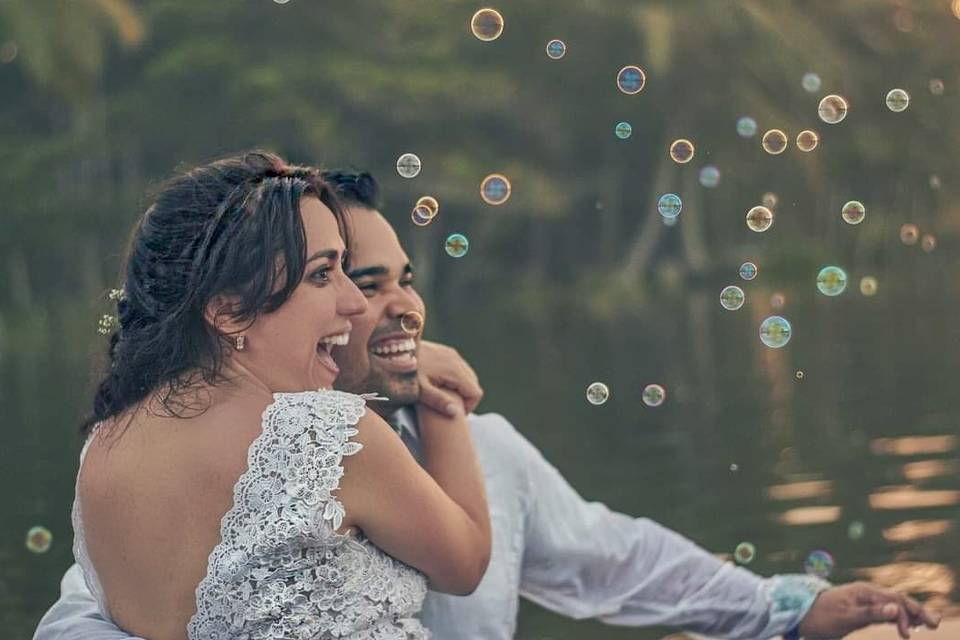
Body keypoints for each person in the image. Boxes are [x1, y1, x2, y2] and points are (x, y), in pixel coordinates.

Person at [36, 167, 942, 640]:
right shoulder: (259, 450)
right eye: (346, 279)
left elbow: (611, 555)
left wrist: (784, 609)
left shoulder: (474, 447)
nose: (382, 306)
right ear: (241, 304)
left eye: (401, 282)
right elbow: (91, 613)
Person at [57, 151, 492, 640]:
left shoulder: (106, 443)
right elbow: (467, 564)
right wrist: (439, 401)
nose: (352, 301)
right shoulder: (325, 436)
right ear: (227, 312)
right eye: (322, 274)